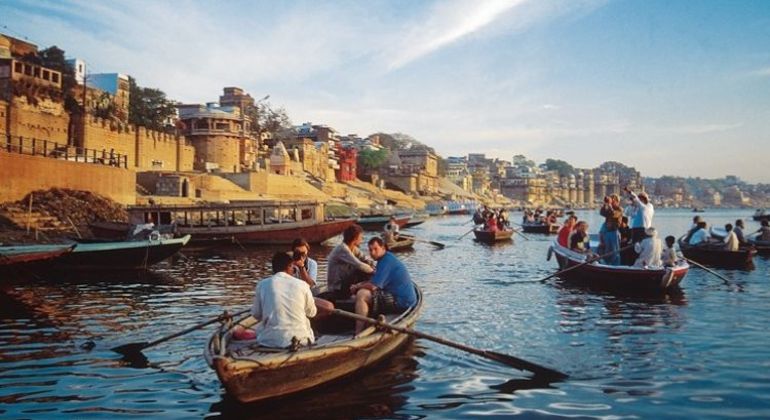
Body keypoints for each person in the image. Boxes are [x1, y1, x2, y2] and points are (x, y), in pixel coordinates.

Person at [250, 252, 332, 348]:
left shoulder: (262, 285)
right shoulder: (303, 285)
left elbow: (256, 314)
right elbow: (312, 313)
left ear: (273, 269)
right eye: (293, 267)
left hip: (270, 341)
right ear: (290, 266)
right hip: (302, 339)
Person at [350, 237, 417, 334]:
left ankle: (359, 331)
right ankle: (368, 320)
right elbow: (374, 281)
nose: (372, 252)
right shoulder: (385, 259)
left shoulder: (386, 262)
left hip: (401, 302)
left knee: (362, 294)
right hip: (400, 297)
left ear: (383, 248)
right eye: (370, 250)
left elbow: (373, 286)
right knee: (361, 293)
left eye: (375, 249)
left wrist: (357, 287)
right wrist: (359, 285)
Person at [326, 225, 375, 299]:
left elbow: (366, 259)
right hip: (337, 287)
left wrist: (377, 267)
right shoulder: (342, 249)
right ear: (355, 238)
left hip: (345, 281)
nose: (362, 239)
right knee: (361, 269)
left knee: (367, 265)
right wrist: (374, 272)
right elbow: (359, 265)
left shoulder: (353, 248)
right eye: (361, 237)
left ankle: (368, 288)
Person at [599, 194, 623, 266]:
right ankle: (607, 264)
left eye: (613, 200)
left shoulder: (620, 209)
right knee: (607, 250)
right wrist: (605, 204)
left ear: (617, 201)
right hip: (607, 232)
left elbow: (613, 214)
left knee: (615, 251)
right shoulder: (609, 208)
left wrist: (609, 205)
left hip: (614, 231)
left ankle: (616, 265)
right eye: (611, 200)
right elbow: (602, 213)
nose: (612, 202)